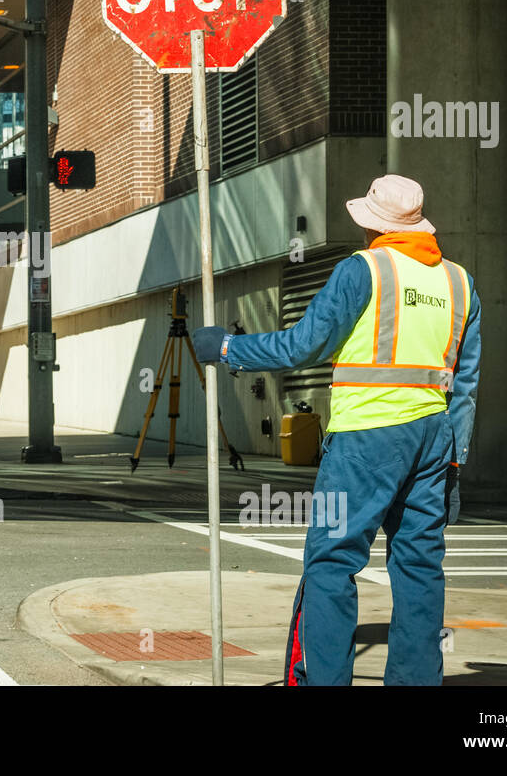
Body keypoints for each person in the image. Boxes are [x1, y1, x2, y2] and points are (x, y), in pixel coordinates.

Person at [193, 175, 481, 687]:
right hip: (433, 442)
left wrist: (228, 350)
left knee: (331, 564)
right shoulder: (459, 283)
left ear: (371, 224)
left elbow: (301, 347)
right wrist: (454, 461)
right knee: (420, 571)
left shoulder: (363, 270)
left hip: (365, 440)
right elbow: (464, 383)